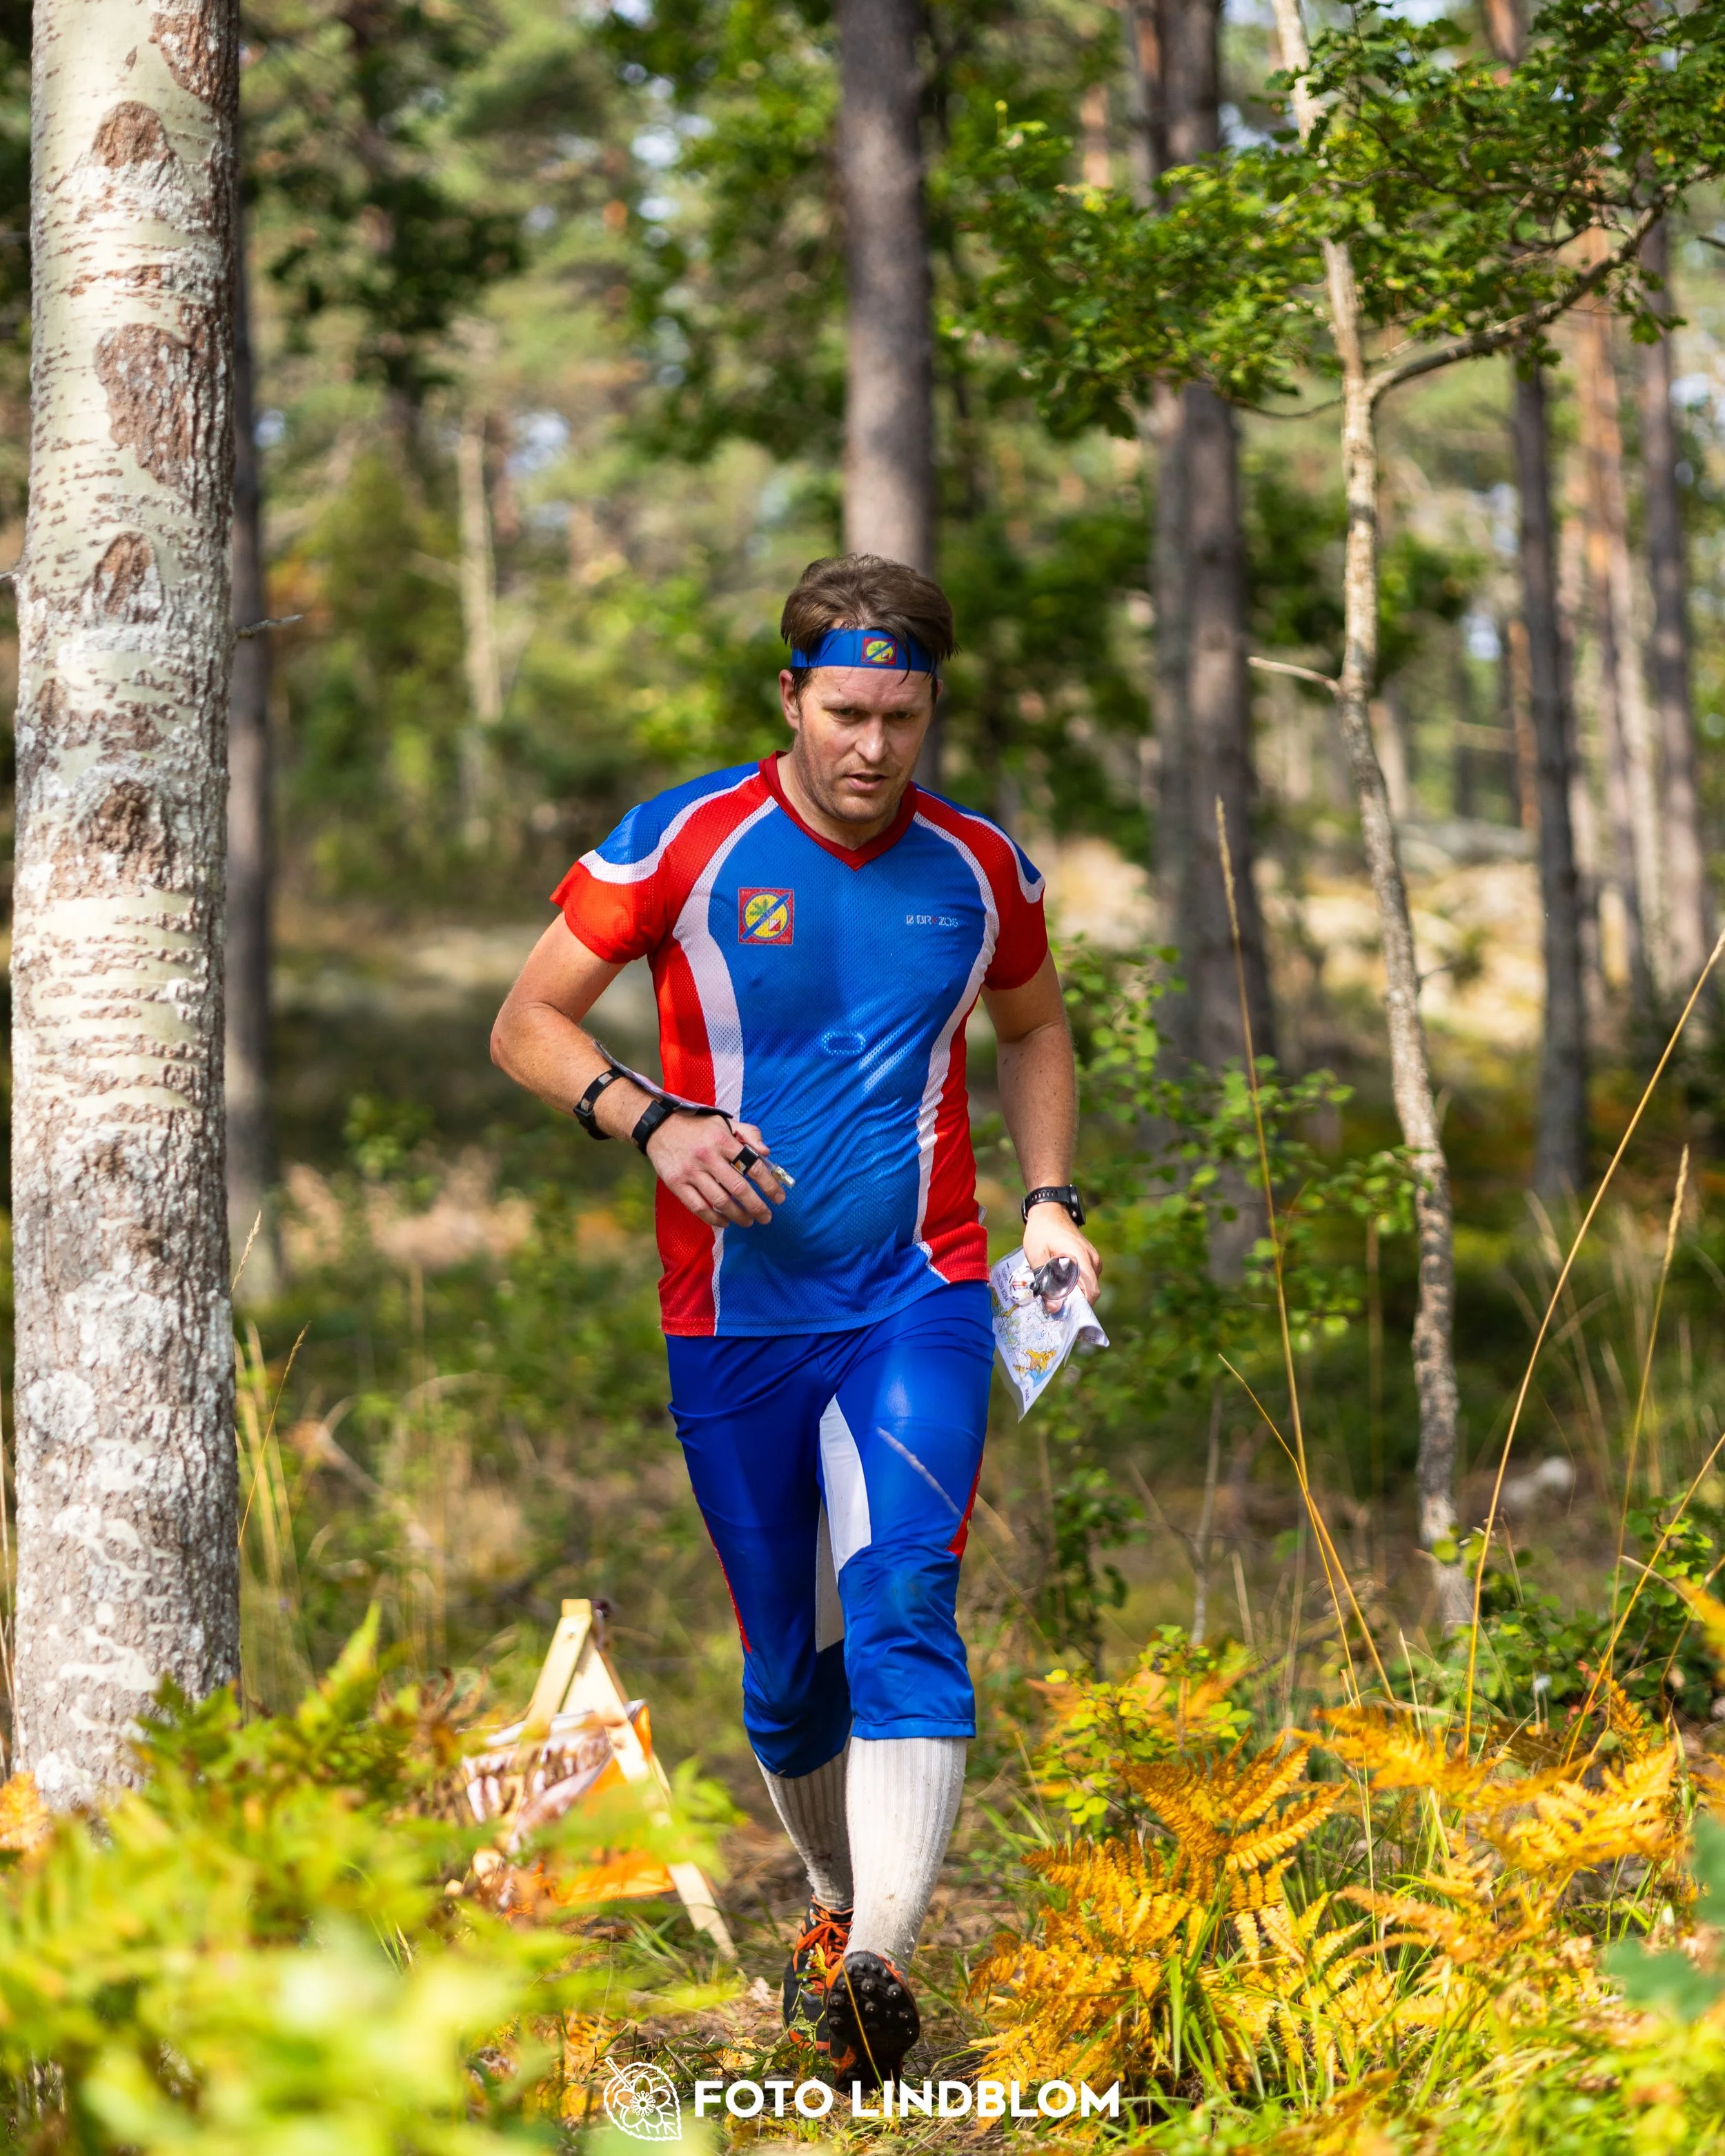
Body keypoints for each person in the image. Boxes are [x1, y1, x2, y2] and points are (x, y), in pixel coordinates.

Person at [491, 552, 1100, 2085]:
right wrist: (649, 1120)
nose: (870, 748)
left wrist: (1050, 1200)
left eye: (900, 716)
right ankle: (833, 1911)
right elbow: (525, 1020)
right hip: (732, 1316)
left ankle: (882, 1959)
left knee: (902, 1595)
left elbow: (1031, 1026)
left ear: (930, 709)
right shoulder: (684, 841)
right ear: (790, 696)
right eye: (842, 712)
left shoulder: (978, 867)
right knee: (781, 1662)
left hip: (924, 1290)